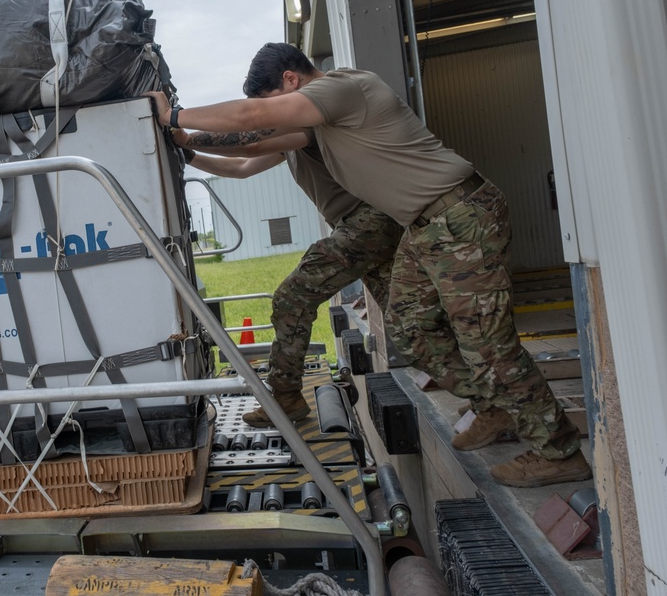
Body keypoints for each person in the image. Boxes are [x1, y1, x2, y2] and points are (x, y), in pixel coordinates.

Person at [147, 42, 591, 487]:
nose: (273, 111)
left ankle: (558, 450)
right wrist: (187, 146)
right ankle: (493, 406)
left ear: (290, 81)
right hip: (424, 225)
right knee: (411, 331)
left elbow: (249, 121)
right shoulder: (316, 124)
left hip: (458, 213)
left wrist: (175, 116)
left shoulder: (347, 87)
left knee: (488, 343)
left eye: (272, 102)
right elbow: (249, 146)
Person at [174, 130, 402, 427]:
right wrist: (189, 155)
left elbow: (249, 145)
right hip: (365, 226)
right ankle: (475, 391)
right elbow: (240, 168)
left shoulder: (306, 124)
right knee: (406, 318)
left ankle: (286, 397)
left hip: (365, 224)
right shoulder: (289, 144)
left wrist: (183, 135)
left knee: (291, 298)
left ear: (288, 80)